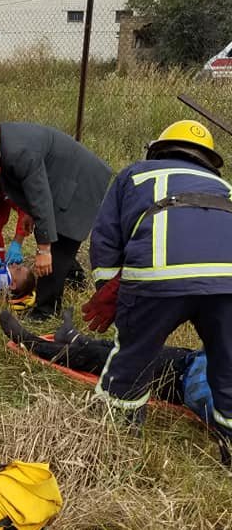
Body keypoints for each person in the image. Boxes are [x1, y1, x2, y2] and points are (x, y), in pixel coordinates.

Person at [86, 119, 232, 462]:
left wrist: (108, 287)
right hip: (226, 283)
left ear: (160, 148)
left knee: (134, 356)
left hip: (159, 279)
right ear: (207, 158)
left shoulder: (135, 175)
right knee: (228, 365)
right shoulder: (224, 187)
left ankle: (117, 435)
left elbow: (106, 236)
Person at [0, 115, 111, 321]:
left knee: (58, 246)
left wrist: (44, 248)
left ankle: (44, 312)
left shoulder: (18, 151)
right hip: (63, 179)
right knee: (55, 238)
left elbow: (40, 197)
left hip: (78, 183)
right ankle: (74, 279)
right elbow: (31, 184)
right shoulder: (5, 139)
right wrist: (29, 213)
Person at [0, 308, 217, 430]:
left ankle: (30, 342)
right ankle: (73, 337)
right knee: (124, 346)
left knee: (100, 359)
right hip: (188, 358)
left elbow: (203, 397)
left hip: (178, 380)